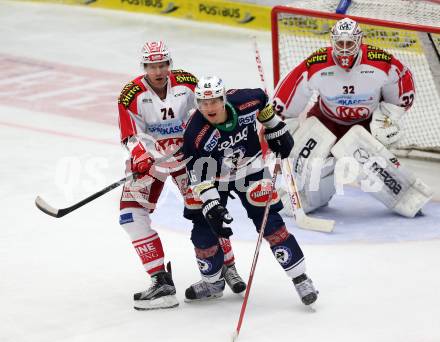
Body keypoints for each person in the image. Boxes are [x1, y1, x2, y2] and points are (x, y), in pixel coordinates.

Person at [117, 41, 245, 310]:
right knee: (130, 214)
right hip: (152, 159)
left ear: (169, 64)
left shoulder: (187, 83)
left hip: (189, 156)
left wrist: (195, 145)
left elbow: (206, 117)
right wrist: (141, 153)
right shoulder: (130, 94)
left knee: (209, 209)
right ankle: (161, 281)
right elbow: (130, 133)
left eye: (162, 64)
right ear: (144, 67)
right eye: (152, 66)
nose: (158, 70)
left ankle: (227, 267)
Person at [273, 17, 432, 217]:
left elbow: (402, 79)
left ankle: (408, 196)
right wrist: (279, 125)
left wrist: (389, 117)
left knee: (371, 163)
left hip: (365, 123)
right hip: (326, 120)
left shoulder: (380, 62)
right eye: (340, 43)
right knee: (307, 163)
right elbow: (292, 87)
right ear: (332, 42)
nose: (345, 49)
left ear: (359, 41)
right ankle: (310, 198)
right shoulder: (317, 64)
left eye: (350, 43)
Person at [182, 76, 318, 306]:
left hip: (250, 169)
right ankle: (213, 282)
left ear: (224, 98)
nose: (208, 108)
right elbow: (197, 174)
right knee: (204, 228)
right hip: (214, 178)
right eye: (203, 103)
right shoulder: (195, 132)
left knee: (271, 223)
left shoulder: (248, 99)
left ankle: (300, 278)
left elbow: (264, 107)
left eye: (213, 101)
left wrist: (276, 128)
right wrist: (211, 203)